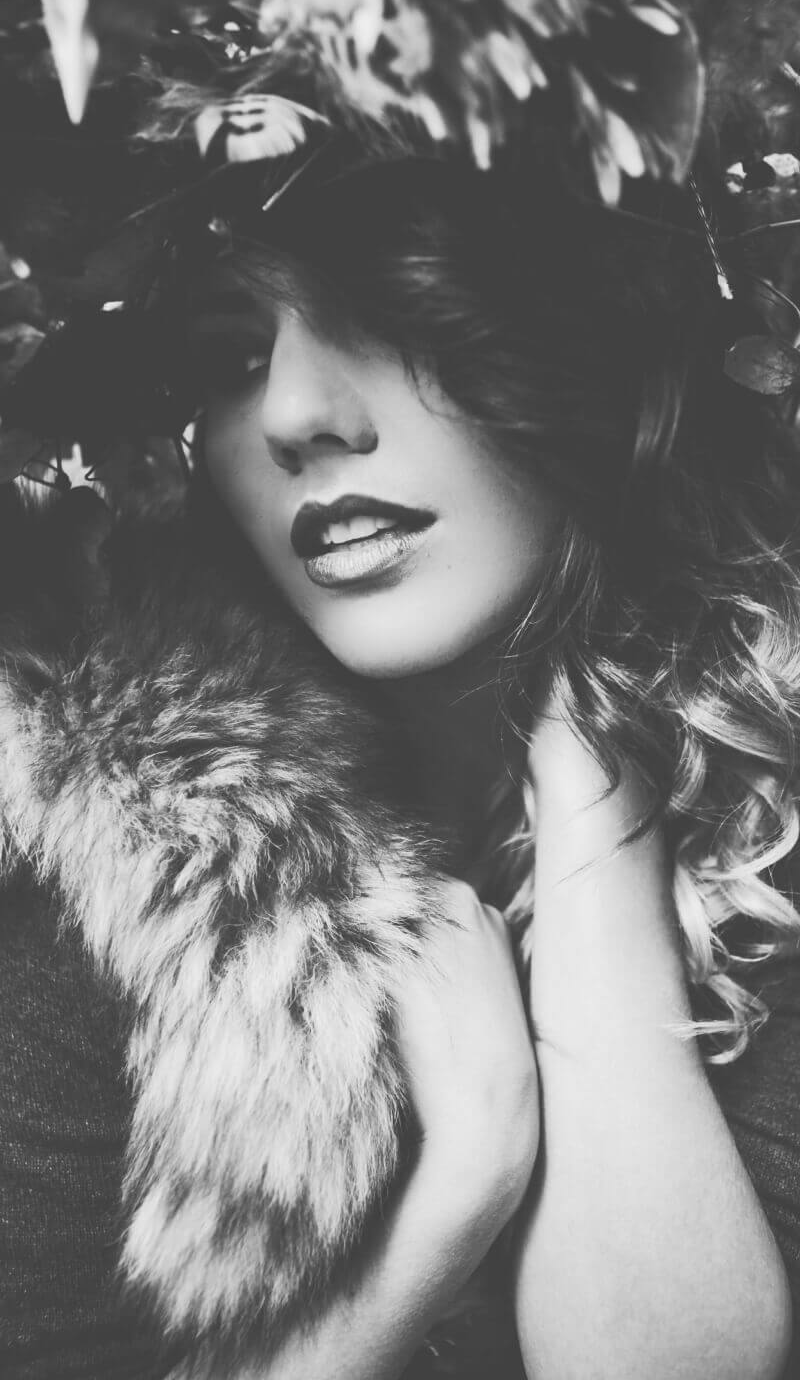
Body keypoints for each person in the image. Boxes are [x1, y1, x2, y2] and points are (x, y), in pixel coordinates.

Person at [1, 148, 799, 1380]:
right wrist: (459, 1188)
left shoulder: (765, 820)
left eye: (386, 316)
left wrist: (599, 814)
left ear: (603, 340)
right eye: (232, 358)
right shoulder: (116, 844)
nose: (291, 415)